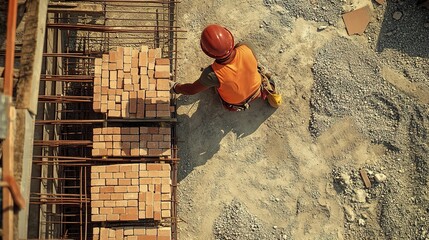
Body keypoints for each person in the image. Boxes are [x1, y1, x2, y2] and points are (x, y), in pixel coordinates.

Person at [170, 24, 281, 111]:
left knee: (214, 83)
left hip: (237, 103)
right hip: (258, 89)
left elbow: (191, 90)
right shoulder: (246, 46)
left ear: (208, 53)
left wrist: (175, 87)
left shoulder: (212, 74)